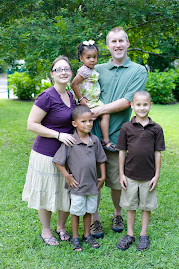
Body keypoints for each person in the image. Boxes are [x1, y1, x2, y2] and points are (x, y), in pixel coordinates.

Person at [90, 27, 148, 239]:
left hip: (118, 137)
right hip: (91, 136)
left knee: (116, 181)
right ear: (107, 46)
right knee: (94, 181)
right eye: (113, 41)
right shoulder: (98, 69)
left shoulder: (138, 70)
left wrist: (98, 110)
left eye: (121, 40)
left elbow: (127, 101)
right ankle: (95, 219)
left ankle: (117, 214)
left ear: (127, 43)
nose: (117, 45)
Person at [22, 56, 76, 246]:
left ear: (71, 73)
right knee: (46, 192)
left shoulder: (70, 96)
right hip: (46, 154)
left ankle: (61, 227)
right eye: (58, 69)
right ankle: (46, 231)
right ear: (52, 74)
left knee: (65, 191)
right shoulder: (46, 96)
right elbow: (31, 124)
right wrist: (58, 135)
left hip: (68, 155)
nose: (63, 72)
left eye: (66, 69)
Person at [116, 90, 165, 251]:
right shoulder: (126, 127)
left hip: (148, 176)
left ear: (150, 105)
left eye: (145, 105)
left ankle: (144, 234)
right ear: (132, 106)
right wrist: (122, 174)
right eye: (138, 104)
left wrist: (156, 175)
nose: (142, 108)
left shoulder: (156, 129)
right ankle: (130, 234)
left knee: (146, 206)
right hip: (130, 175)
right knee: (130, 206)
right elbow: (122, 151)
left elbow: (157, 153)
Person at [53, 106, 107, 251]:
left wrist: (103, 177)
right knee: (77, 212)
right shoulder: (70, 142)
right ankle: (75, 238)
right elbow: (58, 161)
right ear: (74, 124)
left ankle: (87, 235)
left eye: (90, 121)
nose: (88, 124)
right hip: (77, 186)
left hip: (92, 186)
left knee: (89, 211)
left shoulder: (94, 140)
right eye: (83, 121)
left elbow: (101, 159)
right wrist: (67, 176)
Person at [71, 41, 116, 152]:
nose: (92, 60)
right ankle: (85, 142)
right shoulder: (84, 70)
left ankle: (105, 140)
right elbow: (74, 84)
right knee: (87, 119)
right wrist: (81, 99)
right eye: (88, 57)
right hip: (87, 101)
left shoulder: (92, 69)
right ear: (81, 58)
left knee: (106, 114)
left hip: (95, 100)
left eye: (94, 57)